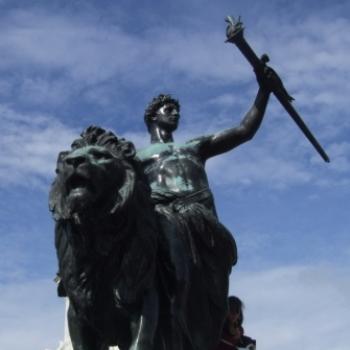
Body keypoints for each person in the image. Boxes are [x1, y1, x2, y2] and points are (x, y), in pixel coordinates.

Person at [136, 68, 272, 349]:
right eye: (168, 108)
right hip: (166, 216)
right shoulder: (137, 158)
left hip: (205, 224)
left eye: (176, 109)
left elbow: (243, 131)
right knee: (178, 280)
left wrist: (264, 91)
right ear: (153, 116)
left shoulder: (194, 147)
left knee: (215, 303)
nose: (175, 113)